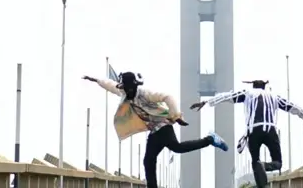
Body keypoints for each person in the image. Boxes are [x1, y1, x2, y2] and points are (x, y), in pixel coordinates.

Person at [82, 71, 229, 188]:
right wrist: (95, 79)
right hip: (154, 130)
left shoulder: (145, 93)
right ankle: (210, 140)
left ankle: (210, 139)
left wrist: (175, 115)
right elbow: (110, 84)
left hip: (163, 125)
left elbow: (167, 97)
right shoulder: (124, 91)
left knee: (175, 148)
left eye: (130, 89)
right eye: (126, 89)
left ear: (134, 86)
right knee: (149, 160)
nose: (128, 92)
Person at [190, 80, 303, 188]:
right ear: (265, 87)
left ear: (253, 86)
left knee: (255, 163)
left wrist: (206, 102)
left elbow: (227, 96)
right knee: (278, 162)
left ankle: (261, 177)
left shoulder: (247, 93)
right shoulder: (274, 96)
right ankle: (265, 166)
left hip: (253, 131)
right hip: (270, 130)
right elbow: (292, 106)